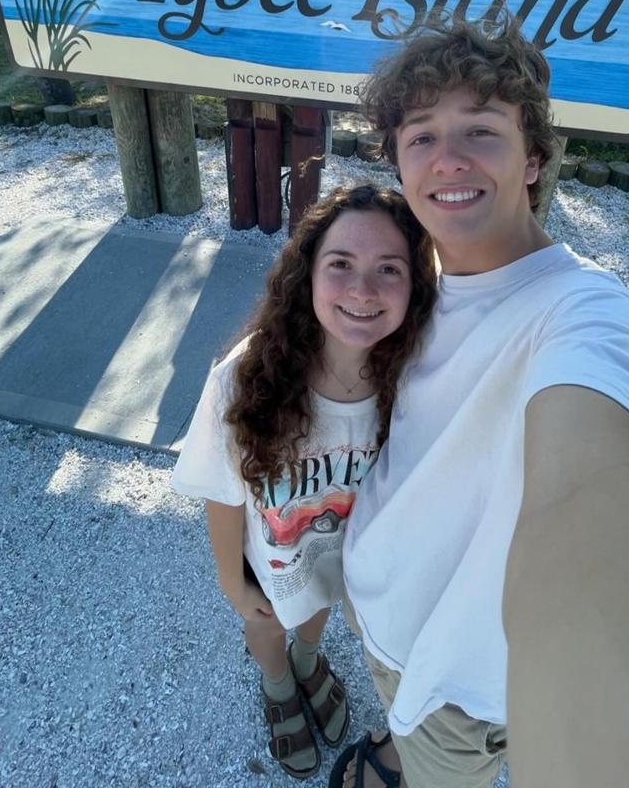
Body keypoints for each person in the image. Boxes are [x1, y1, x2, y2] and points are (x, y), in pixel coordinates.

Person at [331, 16, 629, 788]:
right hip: (378, 600)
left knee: (431, 762)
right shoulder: (410, 279)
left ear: (533, 159)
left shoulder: (586, 311)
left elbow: (592, 484)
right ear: (396, 161)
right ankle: (390, 749)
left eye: (480, 131)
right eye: (420, 135)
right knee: (398, 720)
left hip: (459, 674)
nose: (447, 158)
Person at [171, 184, 436, 780]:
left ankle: (309, 660)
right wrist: (230, 581)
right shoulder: (245, 378)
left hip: (346, 560)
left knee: (317, 605)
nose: (362, 290)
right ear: (306, 272)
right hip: (271, 559)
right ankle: (277, 684)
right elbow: (221, 486)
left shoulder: (415, 380)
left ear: (414, 286)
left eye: (388, 269)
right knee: (266, 621)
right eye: (340, 263)